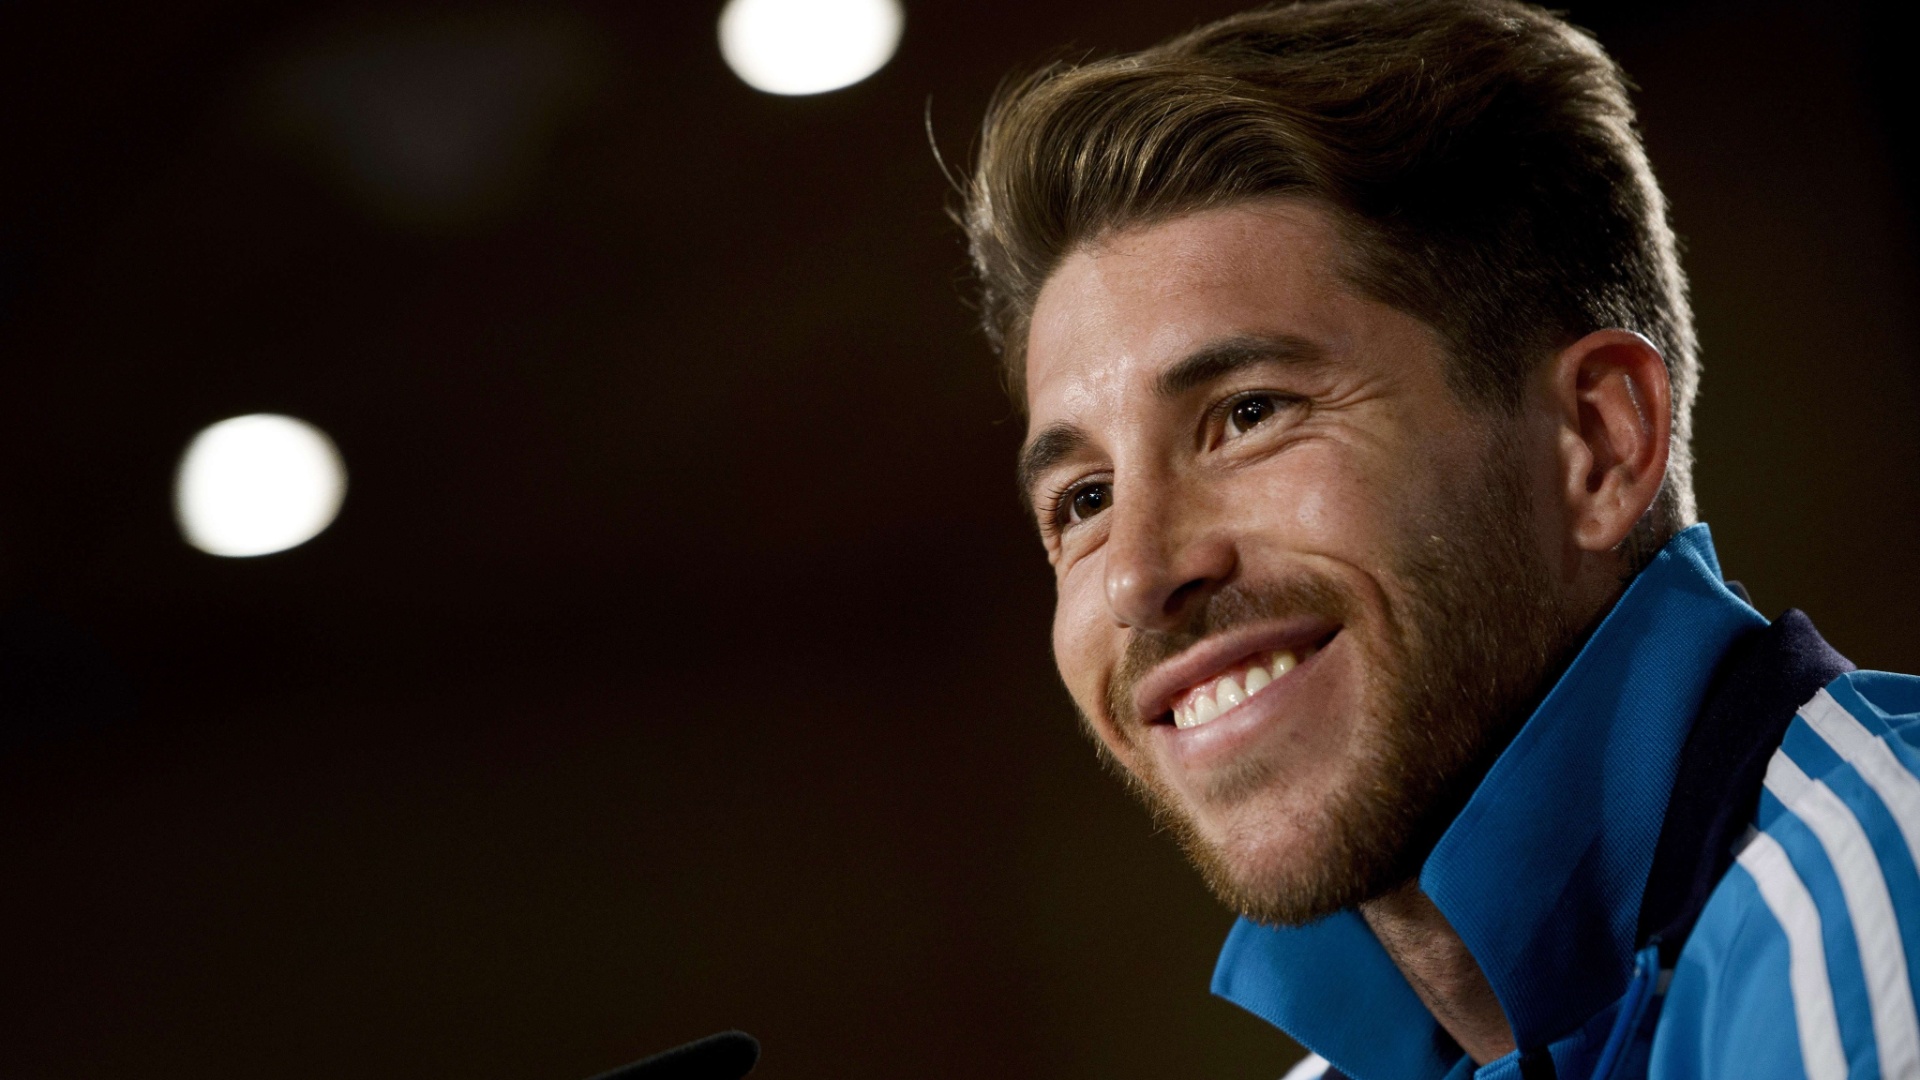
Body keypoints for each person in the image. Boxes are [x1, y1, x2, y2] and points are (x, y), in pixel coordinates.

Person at [955, 1, 1920, 1078]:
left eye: (1250, 414)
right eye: (1083, 499)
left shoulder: (1880, 888)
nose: (1136, 573)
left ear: (1595, 445)